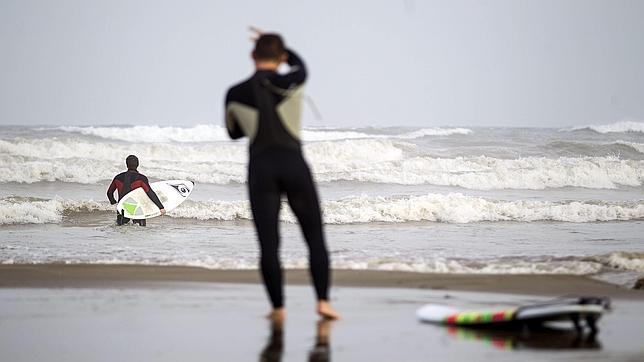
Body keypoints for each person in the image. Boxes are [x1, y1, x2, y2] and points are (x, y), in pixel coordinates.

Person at [225, 28, 340, 322]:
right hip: (294, 166)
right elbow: (302, 67)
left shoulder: (235, 93)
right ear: (281, 57)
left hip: (261, 170)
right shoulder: (292, 80)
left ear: (252, 56)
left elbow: (234, 132)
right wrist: (287, 51)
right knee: (314, 239)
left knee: (268, 244)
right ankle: (323, 303)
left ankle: (278, 308)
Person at [106, 155, 165, 226]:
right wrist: (161, 207)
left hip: (122, 209)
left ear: (126, 164)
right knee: (140, 231)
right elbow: (150, 193)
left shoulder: (118, 177)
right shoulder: (141, 178)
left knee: (121, 231)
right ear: (138, 164)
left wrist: (114, 203)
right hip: (137, 209)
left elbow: (109, 193)